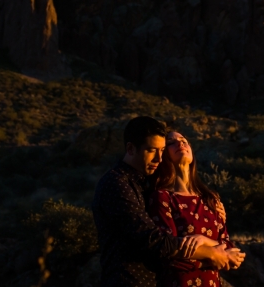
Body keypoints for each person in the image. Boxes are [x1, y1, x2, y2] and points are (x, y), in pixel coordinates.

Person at [92, 116, 243, 287]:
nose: (158, 158)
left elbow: (228, 247)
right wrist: (211, 253)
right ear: (131, 149)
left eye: (162, 150)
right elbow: (153, 240)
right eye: (151, 150)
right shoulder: (118, 183)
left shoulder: (146, 184)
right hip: (129, 281)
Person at [148, 129, 245, 287]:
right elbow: (167, 254)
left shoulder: (210, 199)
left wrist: (203, 240)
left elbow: (231, 251)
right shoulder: (161, 197)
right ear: (162, 155)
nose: (180, 143)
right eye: (171, 143)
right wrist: (215, 256)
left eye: (184, 141)